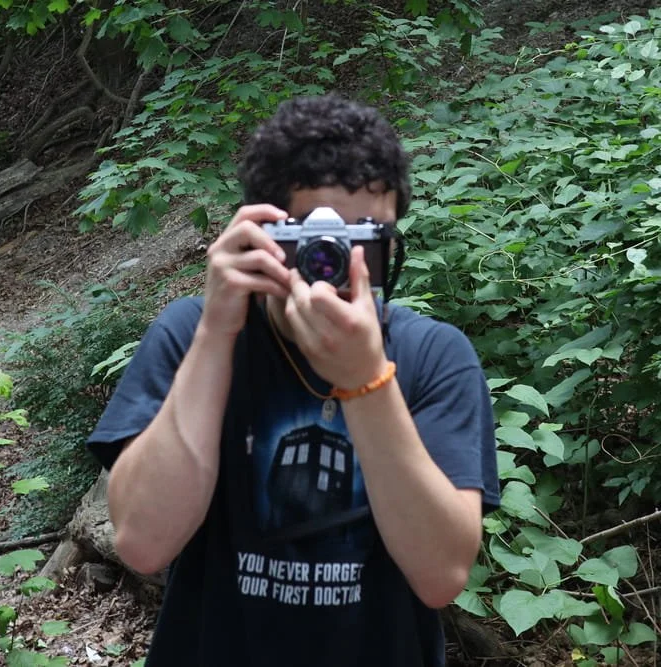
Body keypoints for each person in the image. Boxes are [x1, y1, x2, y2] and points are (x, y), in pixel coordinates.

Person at [85, 94, 500, 666]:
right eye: (317, 242)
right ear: (261, 235)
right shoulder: (191, 335)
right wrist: (216, 333)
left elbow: (441, 576)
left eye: (364, 241)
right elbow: (143, 543)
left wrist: (367, 380)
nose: (338, 265)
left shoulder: (432, 356)